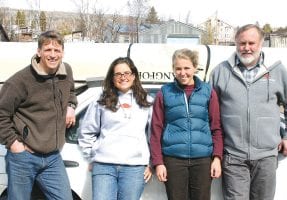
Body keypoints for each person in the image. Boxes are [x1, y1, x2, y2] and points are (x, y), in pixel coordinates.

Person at [210, 24, 287, 200]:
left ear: (261, 43)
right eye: (242, 43)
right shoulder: (221, 72)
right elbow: (208, 112)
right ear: (236, 43)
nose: (246, 48)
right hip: (232, 156)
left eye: (251, 43)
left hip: (266, 156)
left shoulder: (276, 70)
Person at [0, 30, 77, 200]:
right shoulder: (19, 81)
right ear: (39, 51)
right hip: (24, 157)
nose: (52, 55)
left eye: (57, 50)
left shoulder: (67, 71)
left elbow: (71, 91)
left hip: (53, 157)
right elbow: (1, 114)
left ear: (62, 52)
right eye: (48, 49)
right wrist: (14, 144)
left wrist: (71, 106)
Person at [150, 48, 223, 200]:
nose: (182, 73)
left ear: (195, 68)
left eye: (187, 68)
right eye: (178, 68)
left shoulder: (208, 92)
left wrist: (217, 158)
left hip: (202, 160)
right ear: (173, 70)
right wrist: (158, 162)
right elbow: (156, 129)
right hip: (173, 159)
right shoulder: (164, 92)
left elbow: (216, 128)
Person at [78, 57, 153, 200]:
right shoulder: (101, 100)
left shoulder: (147, 101)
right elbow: (87, 131)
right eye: (118, 74)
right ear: (112, 78)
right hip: (104, 166)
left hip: (135, 168)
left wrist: (151, 163)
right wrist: (91, 156)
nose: (123, 77)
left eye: (127, 73)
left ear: (134, 75)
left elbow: (153, 136)